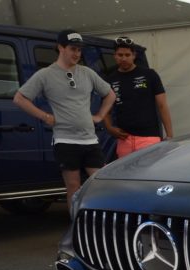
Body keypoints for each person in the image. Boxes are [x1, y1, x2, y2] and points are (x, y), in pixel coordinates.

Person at [13, 29, 115, 211]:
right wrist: (44, 116)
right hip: (65, 141)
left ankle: (97, 225)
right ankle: (75, 225)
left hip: (90, 140)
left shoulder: (87, 73)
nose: (76, 53)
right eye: (72, 49)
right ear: (60, 48)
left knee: (100, 184)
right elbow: (19, 98)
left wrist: (99, 116)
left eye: (79, 50)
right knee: (73, 187)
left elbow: (110, 95)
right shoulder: (45, 74)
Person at [103, 36, 173, 158]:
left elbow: (162, 105)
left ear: (134, 55)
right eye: (120, 55)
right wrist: (109, 128)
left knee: (149, 175)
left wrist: (170, 135)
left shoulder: (149, 74)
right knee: (125, 175)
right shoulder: (110, 79)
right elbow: (106, 109)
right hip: (124, 139)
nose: (123, 58)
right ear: (114, 56)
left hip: (149, 138)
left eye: (127, 55)